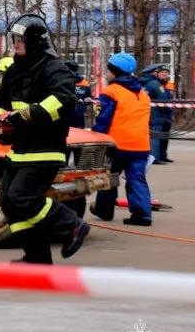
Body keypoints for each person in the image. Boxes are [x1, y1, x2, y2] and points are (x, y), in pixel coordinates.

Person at [0, 14, 89, 264]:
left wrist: (23, 115)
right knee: (8, 203)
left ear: (35, 41)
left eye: (20, 39)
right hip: (20, 149)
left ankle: (73, 227)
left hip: (46, 149)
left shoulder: (55, 68)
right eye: (14, 38)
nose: (15, 43)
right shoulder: (14, 69)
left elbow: (64, 101)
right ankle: (36, 257)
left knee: (22, 198)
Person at [89, 53, 153, 226]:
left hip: (117, 144)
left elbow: (104, 118)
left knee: (109, 177)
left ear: (115, 72)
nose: (107, 74)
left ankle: (104, 210)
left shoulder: (111, 91)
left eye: (109, 71)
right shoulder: (143, 94)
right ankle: (142, 215)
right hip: (141, 145)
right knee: (137, 179)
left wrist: (96, 134)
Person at [141, 64, 172, 164]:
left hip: (152, 112)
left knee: (157, 135)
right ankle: (155, 157)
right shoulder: (155, 84)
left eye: (166, 72)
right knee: (156, 135)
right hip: (155, 114)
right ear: (155, 73)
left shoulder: (149, 83)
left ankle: (159, 156)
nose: (164, 74)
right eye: (161, 72)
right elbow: (163, 99)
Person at [65, 60, 92, 129]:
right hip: (79, 116)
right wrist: (83, 102)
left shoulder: (63, 81)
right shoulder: (85, 82)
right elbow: (88, 99)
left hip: (65, 117)